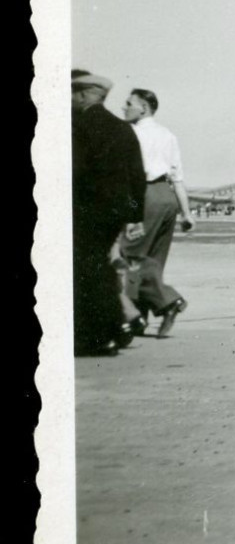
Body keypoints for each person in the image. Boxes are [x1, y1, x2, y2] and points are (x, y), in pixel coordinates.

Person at [71, 71, 146, 355]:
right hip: (115, 213)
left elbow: (75, 172)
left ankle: (98, 336)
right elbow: (137, 176)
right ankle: (115, 329)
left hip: (87, 210)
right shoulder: (122, 128)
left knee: (87, 271)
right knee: (100, 267)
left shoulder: (78, 126)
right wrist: (135, 215)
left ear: (82, 94)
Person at [121, 88, 194, 338]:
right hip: (167, 197)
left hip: (144, 196)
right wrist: (186, 213)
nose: (124, 107)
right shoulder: (167, 135)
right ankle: (140, 315)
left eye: (128, 103)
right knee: (153, 259)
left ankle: (166, 303)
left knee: (129, 257)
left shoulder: (130, 133)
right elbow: (178, 178)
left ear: (143, 108)